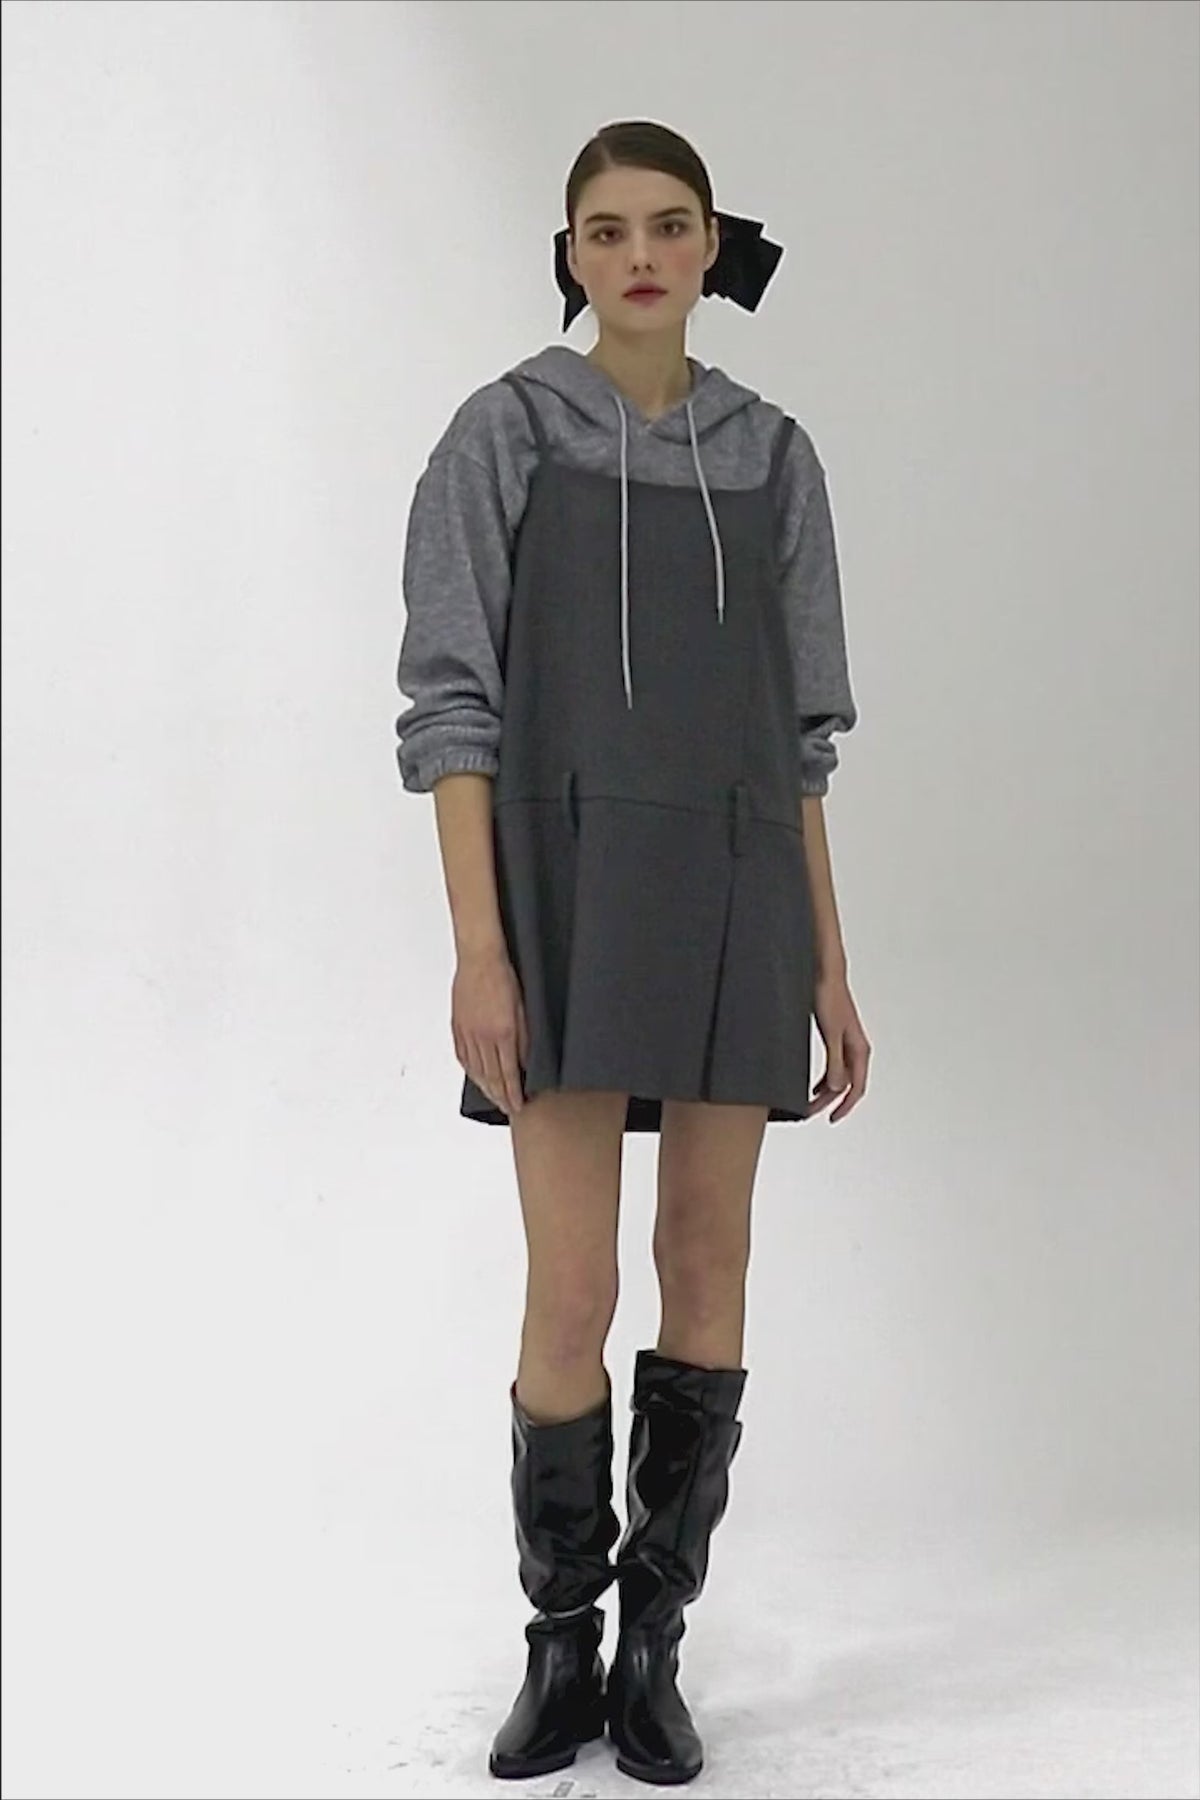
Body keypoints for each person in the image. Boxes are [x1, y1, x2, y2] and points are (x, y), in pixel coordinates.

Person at [393, 119, 871, 1787]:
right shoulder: (504, 433)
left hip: (739, 888)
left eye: (670, 225)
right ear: (571, 253)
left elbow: (804, 742)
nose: (641, 255)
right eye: (607, 230)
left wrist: (829, 963)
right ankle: (561, 1641)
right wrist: (482, 953)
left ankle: (658, 1643)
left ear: (713, 243)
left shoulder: (776, 457)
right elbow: (450, 708)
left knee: (708, 1258)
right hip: (566, 889)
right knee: (575, 1283)